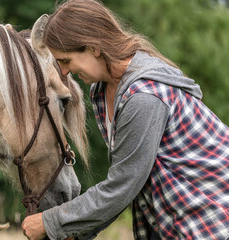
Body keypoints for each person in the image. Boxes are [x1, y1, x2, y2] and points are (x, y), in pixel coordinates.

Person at [22, 0, 229, 239]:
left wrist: (52, 222)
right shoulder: (102, 91)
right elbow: (128, 181)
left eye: (66, 61)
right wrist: (73, 231)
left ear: (94, 48)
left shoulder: (143, 96)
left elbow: (122, 186)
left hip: (214, 222)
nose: (65, 72)